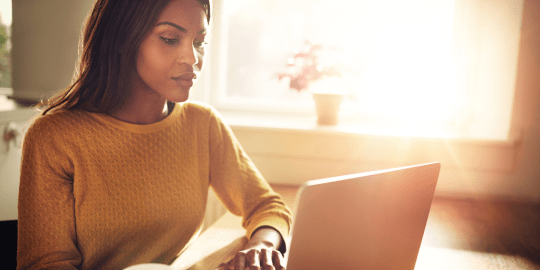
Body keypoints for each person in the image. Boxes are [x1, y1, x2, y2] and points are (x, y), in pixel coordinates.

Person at [17, 0, 292, 269]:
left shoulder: (202, 124)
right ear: (123, 40)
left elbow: (268, 207)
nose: (192, 58)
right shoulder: (54, 137)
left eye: (199, 41)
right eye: (170, 38)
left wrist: (263, 246)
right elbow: (46, 263)